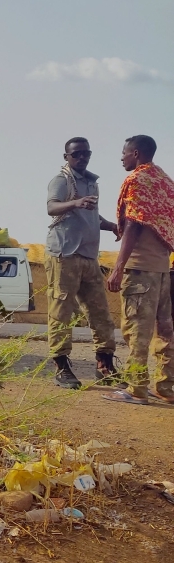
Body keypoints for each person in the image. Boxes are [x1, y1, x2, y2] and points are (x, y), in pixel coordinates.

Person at [45, 137, 121, 389]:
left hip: (89, 257)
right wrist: (76, 202)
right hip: (64, 255)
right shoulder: (61, 180)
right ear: (66, 156)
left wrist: (110, 225)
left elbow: (90, 215)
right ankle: (61, 367)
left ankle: (105, 364)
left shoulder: (91, 182)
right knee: (61, 313)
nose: (82, 158)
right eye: (76, 154)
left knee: (100, 313)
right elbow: (52, 207)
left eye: (86, 154)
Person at [103, 135, 174, 405]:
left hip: (141, 269)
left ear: (135, 153)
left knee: (137, 331)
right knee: (165, 331)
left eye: (124, 153)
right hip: (161, 270)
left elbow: (133, 223)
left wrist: (118, 268)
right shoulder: (165, 181)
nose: (122, 158)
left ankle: (136, 389)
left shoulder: (138, 180)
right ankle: (166, 387)